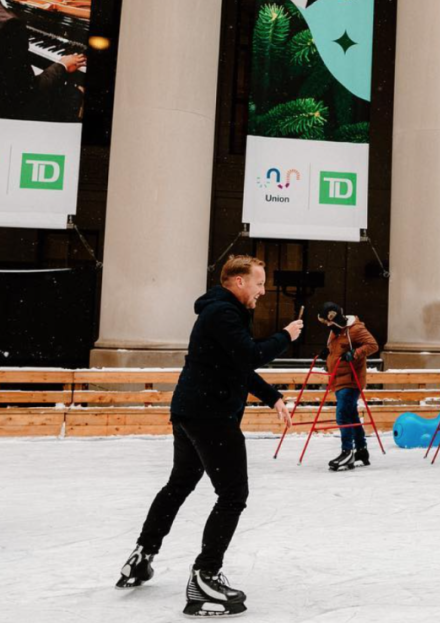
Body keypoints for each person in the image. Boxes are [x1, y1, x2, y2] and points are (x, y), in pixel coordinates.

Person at [115, 255, 303, 618]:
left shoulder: (222, 313)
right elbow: (251, 355)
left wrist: (274, 397)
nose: (263, 291)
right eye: (259, 283)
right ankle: (205, 577)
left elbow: (236, 365)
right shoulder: (223, 314)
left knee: (180, 483)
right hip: (210, 415)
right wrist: (286, 336)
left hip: (192, 412)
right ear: (237, 282)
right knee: (233, 494)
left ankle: (143, 555)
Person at [0, 0, 85, 121]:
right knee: (76, 92)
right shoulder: (10, 24)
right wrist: (61, 65)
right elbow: (28, 92)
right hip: (9, 110)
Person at [317, 301, 379, 471]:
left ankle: (347, 452)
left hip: (352, 380)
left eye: (329, 322)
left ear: (335, 318)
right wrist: (327, 353)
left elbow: (373, 345)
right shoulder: (335, 331)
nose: (328, 326)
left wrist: (355, 353)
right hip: (338, 378)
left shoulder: (356, 329)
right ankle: (361, 450)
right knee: (351, 416)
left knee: (343, 414)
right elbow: (337, 350)